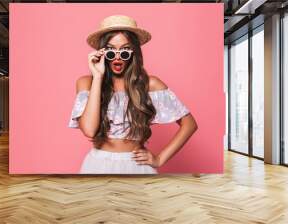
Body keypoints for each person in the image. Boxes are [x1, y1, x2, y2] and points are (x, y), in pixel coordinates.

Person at [68, 15, 198, 174]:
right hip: (97, 164)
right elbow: (89, 130)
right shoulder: (86, 82)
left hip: (136, 166)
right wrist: (98, 76)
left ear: (133, 53)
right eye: (110, 51)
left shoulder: (150, 85)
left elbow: (189, 124)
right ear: (101, 53)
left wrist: (159, 159)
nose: (117, 57)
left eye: (124, 51)